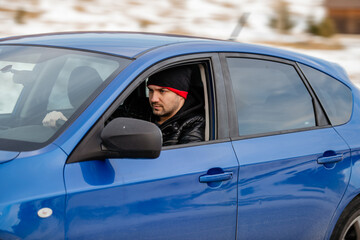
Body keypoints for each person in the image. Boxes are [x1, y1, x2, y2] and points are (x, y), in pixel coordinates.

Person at [147, 66, 205, 146]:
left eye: (162, 91)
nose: (154, 99)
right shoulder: (140, 111)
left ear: (181, 95)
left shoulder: (193, 124)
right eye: (151, 90)